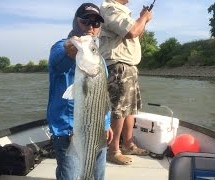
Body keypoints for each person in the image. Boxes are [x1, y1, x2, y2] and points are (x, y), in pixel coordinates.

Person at [46, 3, 113, 180]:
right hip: (68, 133)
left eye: (96, 24)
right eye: (85, 21)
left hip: (97, 131)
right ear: (75, 22)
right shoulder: (61, 47)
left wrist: (106, 124)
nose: (91, 27)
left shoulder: (97, 58)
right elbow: (59, 61)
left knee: (97, 176)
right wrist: (72, 49)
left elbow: (101, 96)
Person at [99, 0, 153, 165]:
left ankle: (128, 144)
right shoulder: (110, 8)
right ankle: (113, 150)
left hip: (128, 65)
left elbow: (136, 33)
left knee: (129, 108)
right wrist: (143, 17)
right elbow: (132, 31)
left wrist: (143, 19)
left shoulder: (120, 10)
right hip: (118, 65)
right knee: (119, 110)